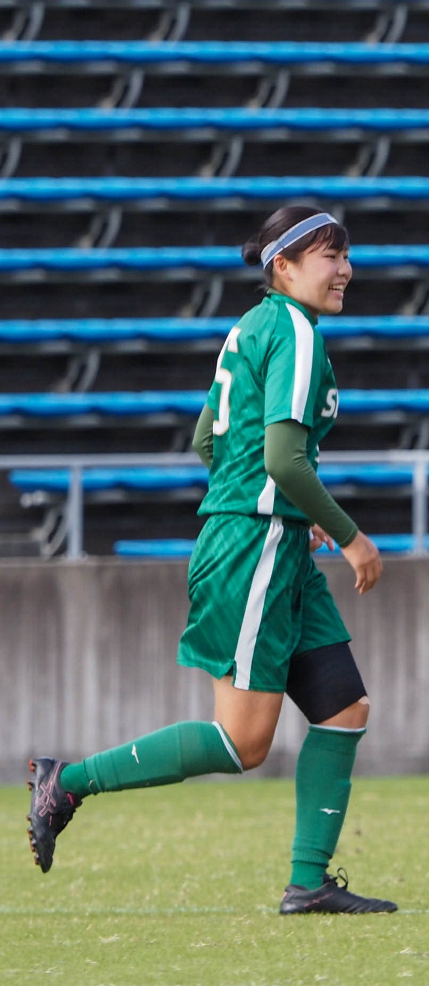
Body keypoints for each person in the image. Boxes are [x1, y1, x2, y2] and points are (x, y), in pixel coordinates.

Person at [26, 206, 395, 915]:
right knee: (243, 742)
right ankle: (66, 783)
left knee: (344, 708)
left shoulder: (252, 326)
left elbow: (208, 440)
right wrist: (348, 534)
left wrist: (284, 513)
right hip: (255, 547)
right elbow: (283, 458)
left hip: (270, 539)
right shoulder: (293, 330)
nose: (345, 269)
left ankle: (309, 884)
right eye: (329, 256)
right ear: (283, 266)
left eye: (346, 255)